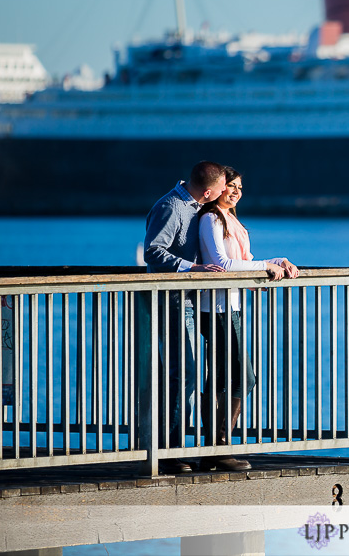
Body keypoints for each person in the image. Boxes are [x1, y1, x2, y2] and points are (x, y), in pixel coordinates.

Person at [197, 166, 298, 471]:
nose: (237, 191)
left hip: (232, 306)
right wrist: (266, 265)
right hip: (214, 307)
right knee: (243, 377)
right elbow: (223, 263)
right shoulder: (211, 219)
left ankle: (215, 450)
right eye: (231, 185)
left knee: (220, 377)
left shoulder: (233, 221)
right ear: (218, 188)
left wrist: (278, 261)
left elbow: (247, 262)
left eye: (240, 187)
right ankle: (219, 447)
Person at [143, 160, 227, 474]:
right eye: (221, 188)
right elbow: (153, 251)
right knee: (185, 374)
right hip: (172, 300)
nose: (224, 192)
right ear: (208, 190)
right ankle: (169, 451)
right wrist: (193, 268)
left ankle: (177, 448)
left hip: (189, 301)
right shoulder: (171, 206)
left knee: (188, 374)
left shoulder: (195, 207)